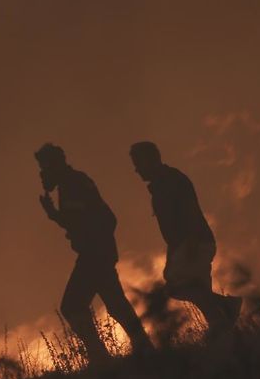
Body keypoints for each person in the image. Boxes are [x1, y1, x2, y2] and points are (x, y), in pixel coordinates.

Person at [35, 143, 153, 362]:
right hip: (98, 253)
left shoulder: (73, 184)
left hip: (94, 255)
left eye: (44, 167)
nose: (42, 174)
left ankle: (100, 357)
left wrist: (56, 216)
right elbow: (89, 219)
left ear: (54, 165)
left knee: (72, 306)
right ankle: (143, 347)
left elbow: (90, 219)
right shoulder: (74, 182)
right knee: (116, 303)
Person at [129, 141, 242, 333]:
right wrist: (173, 254)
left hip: (195, 243)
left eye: (138, 163)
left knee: (176, 287)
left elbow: (189, 212)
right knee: (199, 292)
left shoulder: (171, 181)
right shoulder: (161, 184)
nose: (136, 170)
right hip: (189, 244)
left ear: (150, 160)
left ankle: (226, 312)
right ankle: (224, 330)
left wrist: (190, 244)